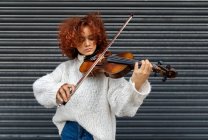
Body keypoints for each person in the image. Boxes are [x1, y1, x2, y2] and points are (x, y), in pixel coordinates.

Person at [33, 12, 153, 140]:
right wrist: (56, 90)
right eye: (81, 39)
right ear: (72, 42)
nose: (87, 43)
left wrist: (136, 84)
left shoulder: (108, 69)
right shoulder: (65, 68)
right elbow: (39, 86)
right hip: (69, 130)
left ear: (98, 38)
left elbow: (122, 109)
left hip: (96, 134)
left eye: (91, 38)